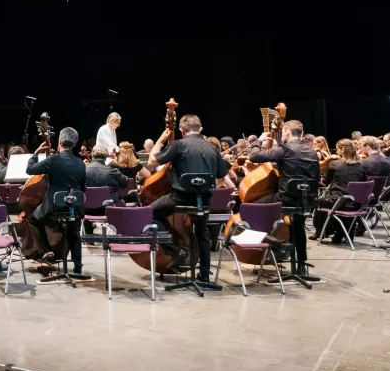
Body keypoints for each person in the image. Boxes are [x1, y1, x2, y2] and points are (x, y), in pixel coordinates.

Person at [147, 115, 229, 282]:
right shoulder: (212, 147)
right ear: (200, 129)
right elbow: (221, 174)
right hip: (204, 200)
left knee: (148, 213)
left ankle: (175, 251)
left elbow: (151, 163)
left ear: (182, 131)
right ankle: (204, 275)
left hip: (180, 198)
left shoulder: (179, 145)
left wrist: (160, 141)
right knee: (202, 233)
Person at [248, 119, 320, 276]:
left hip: (285, 199)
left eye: (283, 132)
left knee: (252, 207)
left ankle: (277, 246)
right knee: (299, 227)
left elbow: (254, 157)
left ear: (287, 131)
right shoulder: (312, 151)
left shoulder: (284, 149)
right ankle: (301, 266)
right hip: (307, 200)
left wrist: (258, 141)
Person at [26, 127, 87, 274]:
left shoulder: (53, 160)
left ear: (59, 141)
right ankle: (77, 266)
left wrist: (35, 153)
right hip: (74, 206)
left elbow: (30, 169)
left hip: (54, 207)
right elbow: (83, 189)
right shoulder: (81, 164)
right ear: (74, 144)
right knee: (74, 230)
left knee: (33, 219)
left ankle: (47, 251)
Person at [310, 139, 366, 243]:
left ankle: (320, 232)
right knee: (337, 203)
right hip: (357, 203)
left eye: (337, 149)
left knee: (320, 201)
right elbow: (364, 184)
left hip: (338, 201)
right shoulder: (361, 165)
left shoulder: (335, 164)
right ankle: (339, 235)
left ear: (343, 150)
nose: (336, 151)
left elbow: (326, 183)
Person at [84, 144, 127, 234]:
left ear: (92, 154)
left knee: (86, 201)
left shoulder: (83, 170)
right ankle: (120, 234)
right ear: (106, 156)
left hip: (86, 209)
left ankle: (89, 237)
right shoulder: (113, 171)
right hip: (110, 209)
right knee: (122, 202)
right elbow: (124, 183)